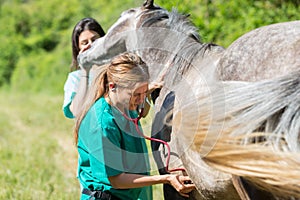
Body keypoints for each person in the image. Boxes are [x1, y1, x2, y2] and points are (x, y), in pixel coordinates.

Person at [74, 52, 195, 200]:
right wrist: (166, 178)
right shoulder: (102, 125)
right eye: (136, 94)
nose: (141, 100)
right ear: (112, 86)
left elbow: (141, 109)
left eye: (144, 93)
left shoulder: (125, 106)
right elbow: (116, 180)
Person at [63, 17, 105, 119]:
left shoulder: (117, 69)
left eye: (94, 39)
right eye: (85, 43)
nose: (91, 45)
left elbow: (141, 110)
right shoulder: (75, 78)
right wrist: (85, 72)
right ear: (78, 48)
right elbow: (76, 111)